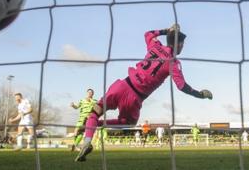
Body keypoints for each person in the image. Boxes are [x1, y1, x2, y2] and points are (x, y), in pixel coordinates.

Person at [75, 25, 213, 162]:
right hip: (135, 98)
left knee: (95, 111)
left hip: (122, 85)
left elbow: (148, 34)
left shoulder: (155, 46)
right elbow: (182, 86)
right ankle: (98, 125)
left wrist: (166, 30)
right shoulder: (174, 62)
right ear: (180, 44)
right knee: (129, 123)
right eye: (183, 44)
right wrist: (200, 94)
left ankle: (87, 140)